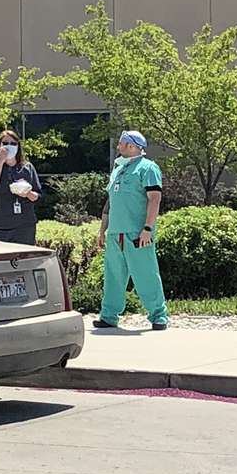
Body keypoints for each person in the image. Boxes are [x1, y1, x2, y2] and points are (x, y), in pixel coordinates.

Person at [94, 130, 168, 331]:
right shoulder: (118, 168)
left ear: (132, 146)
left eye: (121, 143)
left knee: (146, 274)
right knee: (113, 276)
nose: (118, 146)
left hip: (137, 233)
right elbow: (110, 203)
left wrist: (148, 228)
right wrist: (102, 230)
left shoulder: (148, 168)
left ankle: (159, 315)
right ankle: (109, 316)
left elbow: (155, 199)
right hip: (115, 233)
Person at [0, 129, 43, 245]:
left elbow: (38, 197)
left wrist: (27, 193)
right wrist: (0, 160)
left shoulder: (27, 167)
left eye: (13, 143)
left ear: (18, 147)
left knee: (23, 256)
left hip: (24, 228)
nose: (9, 146)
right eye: (5, 143)